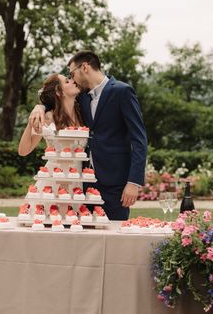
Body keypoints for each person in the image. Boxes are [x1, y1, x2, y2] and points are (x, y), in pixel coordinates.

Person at [29, 50, 147, 220]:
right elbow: (58, 101)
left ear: (84, 67)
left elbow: (139, 139)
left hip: (115, 184)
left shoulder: (122, 92)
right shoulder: (81, 95)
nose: (72, 78)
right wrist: (39, 108)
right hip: (82, 183)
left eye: (71, 73)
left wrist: (133, 182)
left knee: (113, 235)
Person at [18, 73, 83, 156]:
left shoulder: (82, 113)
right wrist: (32, 120)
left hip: (80, 168)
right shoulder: (48, 117)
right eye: (67, 81)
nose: (73, 81)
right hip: (55, 168)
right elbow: (23, 151)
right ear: (59, 92)